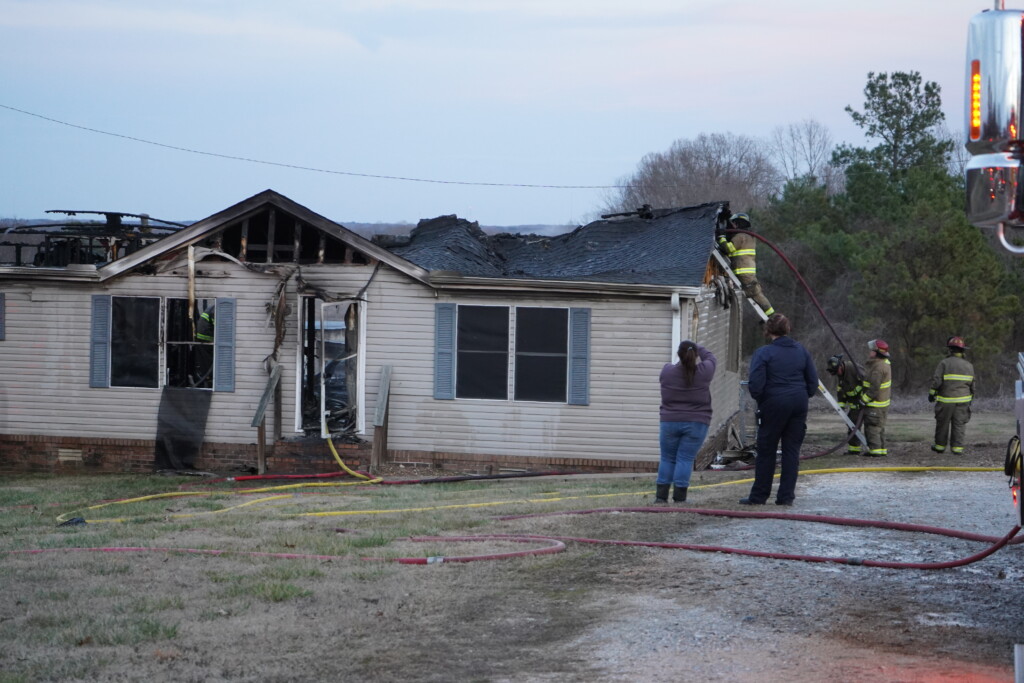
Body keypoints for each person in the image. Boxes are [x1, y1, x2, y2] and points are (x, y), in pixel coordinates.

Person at [740, 314, 818, 506]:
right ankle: (786, 497)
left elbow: (756, 384)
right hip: (798, 402)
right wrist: (801, 395)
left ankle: (759, 496)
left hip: (774, 403)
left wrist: (764, 399)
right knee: (791, 451)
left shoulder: (764, 353)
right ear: (788, 329)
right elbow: (813, 383)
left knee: (767, 450)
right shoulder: (801, 351)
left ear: (768, 331)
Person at [655, 340, 717, 505]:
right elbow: (711, 358)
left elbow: (672, 368)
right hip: (697, 422)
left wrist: (690, 350)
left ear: (679, 355)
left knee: (667, 458)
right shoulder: (704, 372)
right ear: (695, 354)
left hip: (669, 422)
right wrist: (698, 347)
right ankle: (680, 498)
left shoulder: (667, 371)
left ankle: (660, 498)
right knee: (685, 459)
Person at [716, 212, 775, 316]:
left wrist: (721, 237)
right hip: (748, 272)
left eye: (734, 223)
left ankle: (772, 317)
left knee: (755, 294)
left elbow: (729, 249)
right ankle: (770, 315)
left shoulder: (740, 236)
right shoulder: (749, 237)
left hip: (742, 272)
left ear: (739, 224)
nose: (733, 226)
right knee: (757, 293)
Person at [929, 336, 975, 455]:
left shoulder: (944, 363)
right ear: (963, 350)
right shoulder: (969, 365)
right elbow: (972, 384)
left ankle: (940, 446)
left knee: (942, 424)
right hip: (963, 400)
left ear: (950, 350)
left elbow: (937, 381)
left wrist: (932, 393)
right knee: (959, 424)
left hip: (946, 400)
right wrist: (972, 397)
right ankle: (957, 448)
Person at [825, 354, 864, 454]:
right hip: (854, 404)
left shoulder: (853, 368)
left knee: (855, 425)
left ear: (840, 366)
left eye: (836, 371)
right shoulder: (841, 373)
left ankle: (861, 449)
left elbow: (867, 382)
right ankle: (854, 449)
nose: (837, 374)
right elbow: (841, 390)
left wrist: (859, 395)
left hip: (862, 403)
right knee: (851, 424)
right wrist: (841, 406)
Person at [860, 339, 892, 457]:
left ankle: (875, 451)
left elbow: (874, 388)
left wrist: (863, 399)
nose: (870, 352)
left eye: (872, 350)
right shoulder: (884, 363)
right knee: (880, 427)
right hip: (882, 403)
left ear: (876, 352)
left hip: (875, 404)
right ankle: (881, 450)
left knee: (872, 428)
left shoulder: (878, 368)